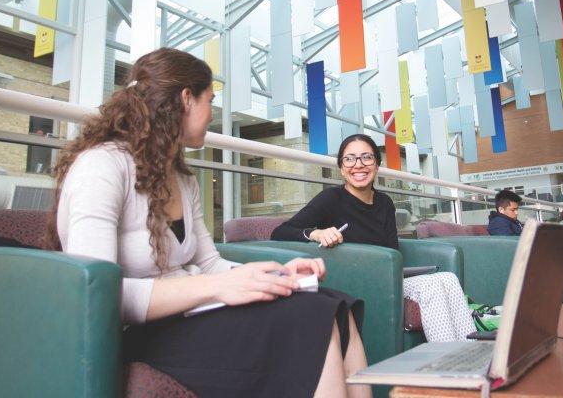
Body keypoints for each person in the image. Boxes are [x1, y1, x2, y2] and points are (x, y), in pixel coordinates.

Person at [48, 48, 369, 398]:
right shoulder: (102, 167)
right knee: (308, 319)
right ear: (187, 99)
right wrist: (214, 289)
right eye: (210, 101)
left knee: (334, 304)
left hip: (189, 316)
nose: (212, 113)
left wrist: (276, 274)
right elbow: (96, 293)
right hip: (138, 333)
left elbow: (208, 263)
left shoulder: (182, 179)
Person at [271, 134, 476, 342]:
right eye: (349, 159)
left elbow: (392, 249)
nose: (358, 165)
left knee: (448, 279)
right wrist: (315, 233)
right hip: (354, 280)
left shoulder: (385, 202)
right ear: (342, 168)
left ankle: (470, 354)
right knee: (431, 287)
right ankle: (446, 363)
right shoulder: (331, 198)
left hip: (387, 277)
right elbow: (280, 232)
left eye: (366, 158)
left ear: (376, 165)